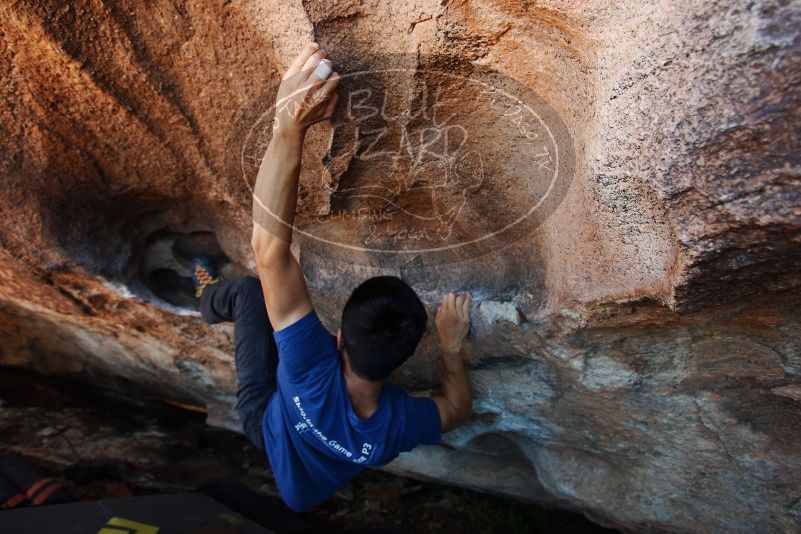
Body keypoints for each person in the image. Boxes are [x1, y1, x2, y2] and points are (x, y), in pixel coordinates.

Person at [193, 42, 473, 512]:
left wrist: (289, 125)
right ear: (401, 364)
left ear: (338, 340)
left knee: (245, 290)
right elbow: (458, 409)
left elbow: (269, 252)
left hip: (267, 422)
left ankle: (202, 292)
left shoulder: (309, 369)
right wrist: (451, 348)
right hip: (306, 480)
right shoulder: (394, 429)